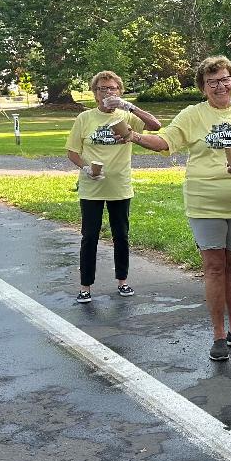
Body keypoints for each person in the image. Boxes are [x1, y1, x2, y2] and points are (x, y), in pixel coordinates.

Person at [131, 56, 231, 362]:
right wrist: (134, 136)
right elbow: (164, 141)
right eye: (212, 81)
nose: (220, 85)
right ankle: (218, 334)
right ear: (203, 87)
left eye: (225, 79)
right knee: (214, 267)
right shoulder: (193, 115)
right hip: (205, 202)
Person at [67, 71, 161, 303]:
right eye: (102, 89)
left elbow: (156, 125)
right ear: (95, 94)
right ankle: (85, 286)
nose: (108, 93)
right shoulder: (85, 118)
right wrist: (86, 168)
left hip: (120, 185)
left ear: (119, 91)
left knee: (121, 235)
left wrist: (129, 106)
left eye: (112, 88)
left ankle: (123, 281)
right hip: (92, 186)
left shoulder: (126, 117)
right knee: (89, 236)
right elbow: (72, 152)